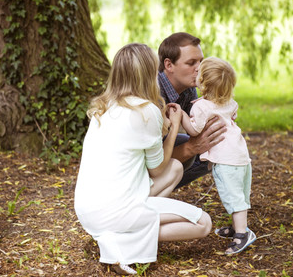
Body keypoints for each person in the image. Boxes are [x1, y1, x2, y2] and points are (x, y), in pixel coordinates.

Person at [74, 43, 212, 275]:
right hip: (117, 210)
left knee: (176, 169)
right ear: (149, 73)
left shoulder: (103, 107)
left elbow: (161, 166)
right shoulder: (145, 110)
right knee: (203, 223)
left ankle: (117, 235)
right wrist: (175, 126)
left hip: (88, 210)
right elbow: (157, 170)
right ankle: (122, 243)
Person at [180, 56, 256, 255]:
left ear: (203, 83)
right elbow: (232, 116)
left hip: (225, 158)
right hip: (240, 154)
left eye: (199, 73)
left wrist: (181, 116)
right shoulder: (230, 102)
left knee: (232, 195)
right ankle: (238, 226)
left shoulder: (201, 107)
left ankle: (243, 234)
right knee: (239, 192)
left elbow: (195, 130)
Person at [158, 32, 227, 188]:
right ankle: (148, 194)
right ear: (169, 65)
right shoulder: (153, 94)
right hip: (139, 160)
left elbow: (199, 131)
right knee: (195, 149)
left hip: (160, 147)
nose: (199, 69)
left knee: (213, 148)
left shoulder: (189, 88)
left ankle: (161, 190)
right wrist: (191, 147)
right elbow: (148, 160)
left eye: (201, 61)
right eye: (191, 63)